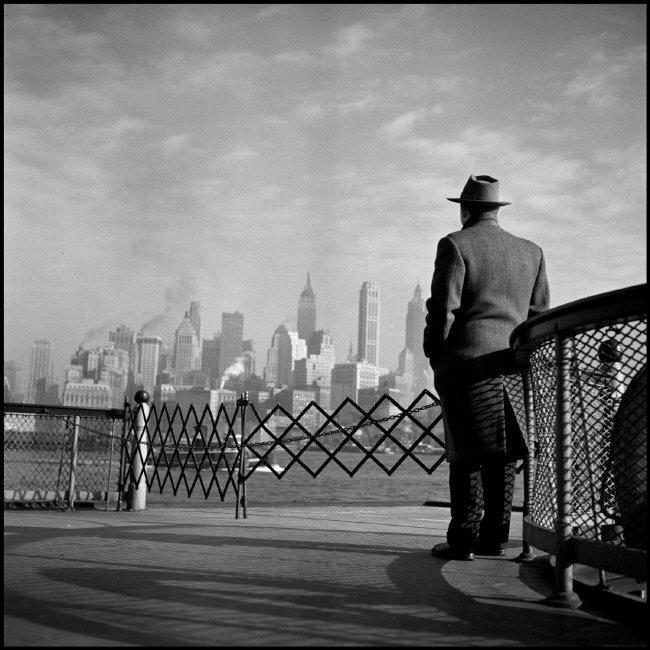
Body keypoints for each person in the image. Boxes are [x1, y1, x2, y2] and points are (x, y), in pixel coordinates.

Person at [423, 174, 550, 560]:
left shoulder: (456, 244)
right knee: (505, 453)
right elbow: (539, 315)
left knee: (466, 453)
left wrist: (436, 354)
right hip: (512, 367)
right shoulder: (532, 252)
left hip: (467, 365)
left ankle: (462, 539)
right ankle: (495, 536)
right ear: (496, 209)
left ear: (465, 210)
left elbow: (443, 309)